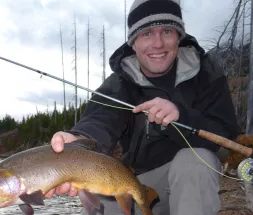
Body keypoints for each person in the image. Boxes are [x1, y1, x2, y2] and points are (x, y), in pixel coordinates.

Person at [45, 0, 240, 214]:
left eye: (167, 31)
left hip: (192, 186)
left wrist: (182, 117)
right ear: (133, 42)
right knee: (95, 207)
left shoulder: (206, 74)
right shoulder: (119, 83)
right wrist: (80, 141)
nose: (158, 44)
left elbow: (226, 137)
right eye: (146, 33)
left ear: (179, 37)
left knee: (194, 160)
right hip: (139, 183)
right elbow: (100, 120)